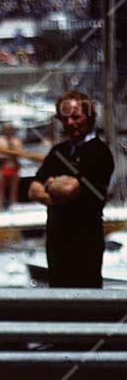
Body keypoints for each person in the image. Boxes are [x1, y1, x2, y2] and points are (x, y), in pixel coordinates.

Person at [28, 90, 115, 289]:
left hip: (84, 244)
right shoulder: (59, 152)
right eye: (64, 118)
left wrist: (49, 184)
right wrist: (53, 195)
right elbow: (33, 190)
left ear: (89, 117)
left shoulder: (98, 152)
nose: (70, 123)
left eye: (76, 117)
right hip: (57, 244)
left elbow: (68, 189)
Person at [0, 122, 23, 210]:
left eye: (10, 129)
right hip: (3, 168)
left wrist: (10, 152)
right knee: (1, 191)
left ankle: (14, 208)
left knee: (14, 191)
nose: (8, 131)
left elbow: (19, 153)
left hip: (14, 168)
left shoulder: (16, 141)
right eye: (6, 129)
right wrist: (8, 153)